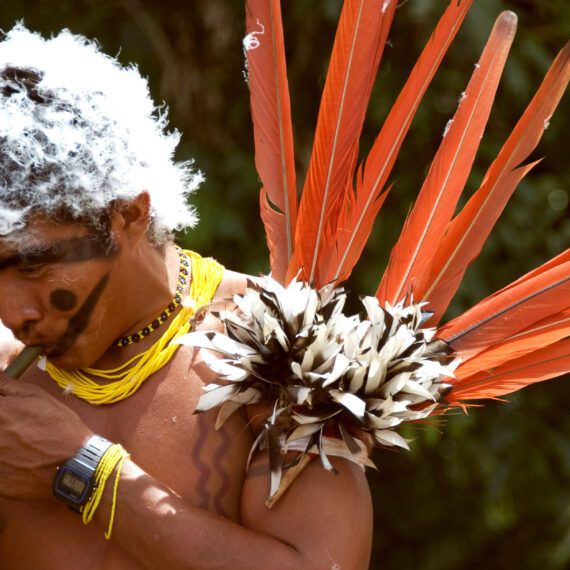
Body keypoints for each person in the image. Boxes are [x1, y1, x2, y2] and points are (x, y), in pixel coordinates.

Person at [0, 25, 373, 569]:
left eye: (33, 264)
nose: (13, 314)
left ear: (128, 214)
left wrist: (82, 470)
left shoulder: (277, 349)